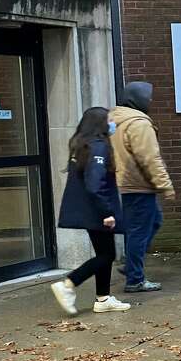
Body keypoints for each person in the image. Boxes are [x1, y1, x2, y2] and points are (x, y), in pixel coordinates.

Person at [51, 108, 131, 315]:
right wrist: (107, 212)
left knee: (104, 253)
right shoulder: (98, 148)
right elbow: (95, 184)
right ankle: (69, 283)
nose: (112, 124)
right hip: (97, 210)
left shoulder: (82, 145)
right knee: (107, 255)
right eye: (109, 121)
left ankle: (103, 298)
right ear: (100, 124)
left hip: (89, 208)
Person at [109, 81, 176, 292]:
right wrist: (164, 184)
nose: (150, 101)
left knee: (151, 222)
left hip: (125, 182)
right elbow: (150, 158)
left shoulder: (115, 120)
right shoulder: (139, 123)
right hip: (140, 183)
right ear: (136, 99)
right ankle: (135, 279)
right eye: (147, 97)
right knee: (140, 230)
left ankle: (131, 265)